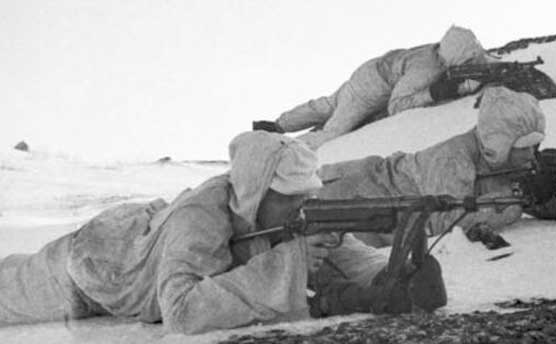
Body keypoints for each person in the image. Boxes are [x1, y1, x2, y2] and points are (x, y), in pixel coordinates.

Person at [0, 132, 445, 334]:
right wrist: (289, 263)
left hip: (141, 232)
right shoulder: (203, 214)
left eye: (305, 193)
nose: (303, 205)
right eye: (290, 195)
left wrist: (397, 273)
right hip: (95, 269)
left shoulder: (293, 213)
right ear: (256, 190)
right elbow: (180, 311)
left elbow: (346, 254)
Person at [315, 86, 556, 247]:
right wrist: (518, 199)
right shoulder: (453, 160)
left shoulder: (504, 161)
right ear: (500, 142)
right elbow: (446, 225)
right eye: (525, 146)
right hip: (359, 192)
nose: (533, 152)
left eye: (536, 143)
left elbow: (546, 204)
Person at [253, 25, 496, 149]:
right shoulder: (428, 69)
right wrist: (435, 92)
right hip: (369, 91)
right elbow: (397, 105)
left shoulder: (438, 49)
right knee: (333, 132)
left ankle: (276, 125)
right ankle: (282, 147)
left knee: (326, 105)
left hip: (368, 71)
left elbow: (476, 58)